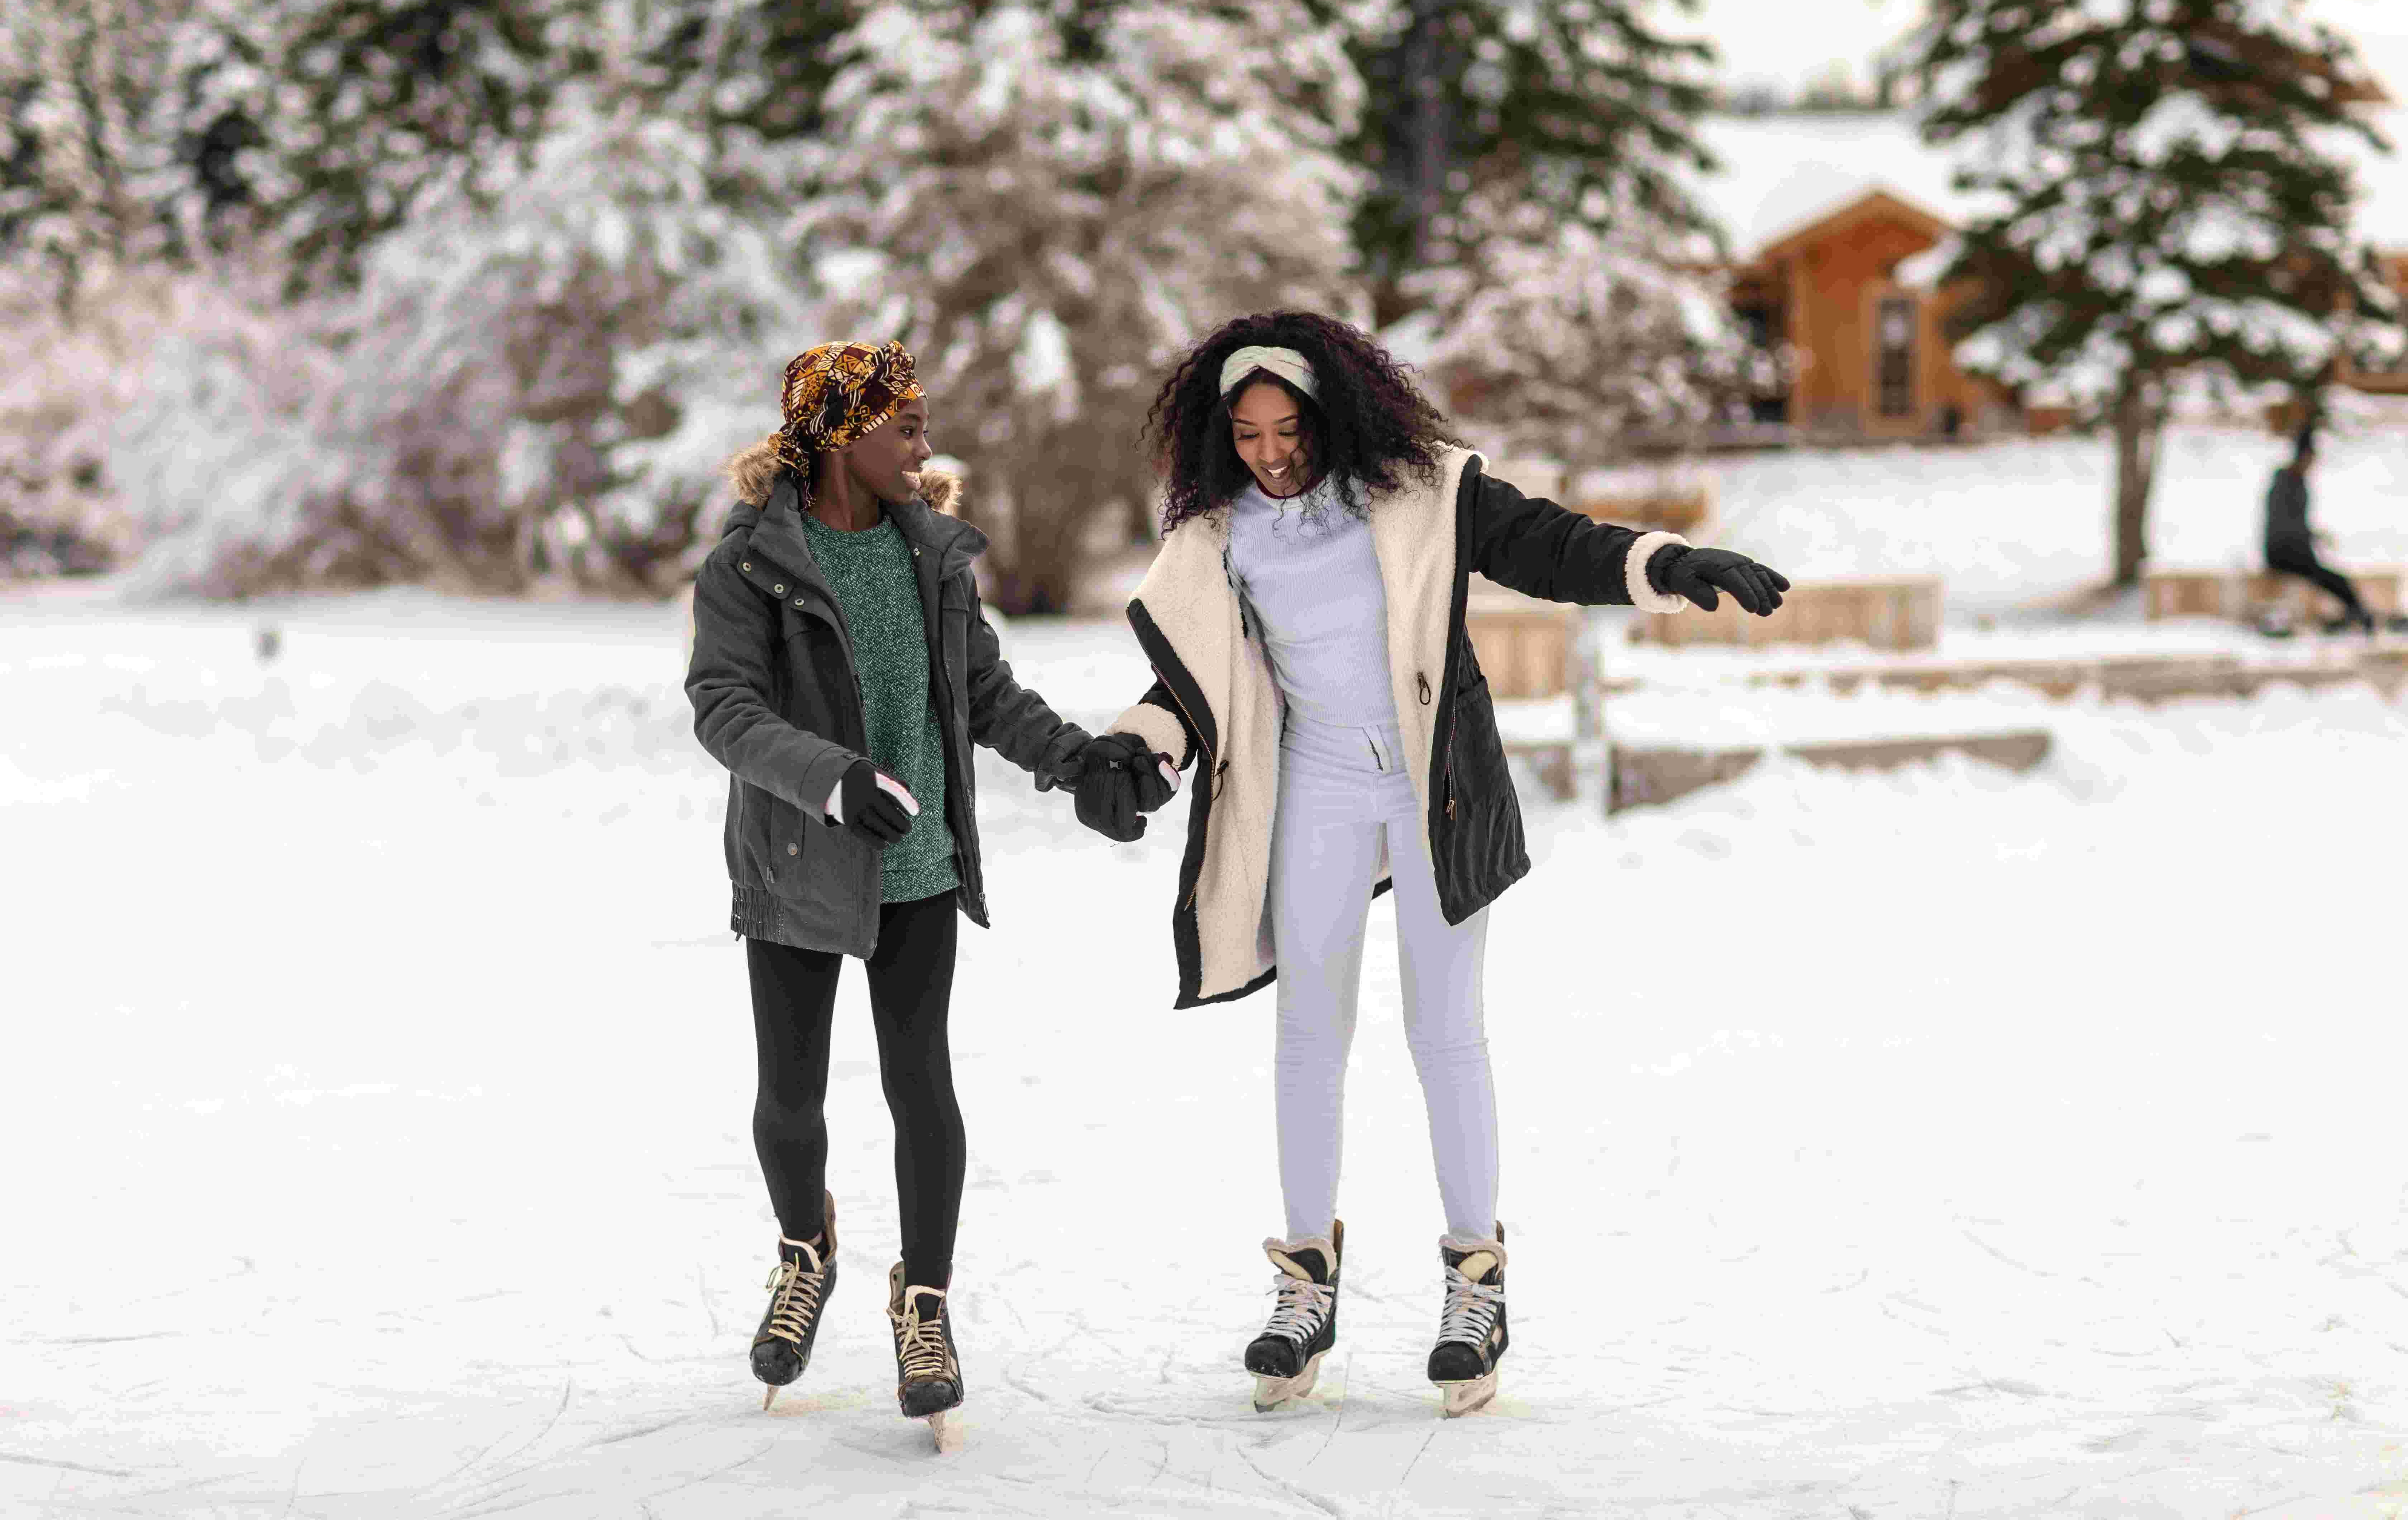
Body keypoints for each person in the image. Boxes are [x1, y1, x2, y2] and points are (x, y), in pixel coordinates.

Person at [1076, 312, 1791, 1417]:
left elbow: (1549, 544)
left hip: (1431, 784)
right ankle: (1303, 1285)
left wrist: (1667, 564)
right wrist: (1137, 751)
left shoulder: (1421, 493)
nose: (1271, 454)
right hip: (1314, 784)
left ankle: (1475, 1286)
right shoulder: (1219, 536)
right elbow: (1193, 681)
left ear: (1332, 415)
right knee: (1307, 1035)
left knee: (1443, 1031)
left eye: (1289, 430)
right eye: (1249, 435)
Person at [684, 339, 1149, 1446]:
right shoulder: (750, 561)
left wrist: (1078, 762)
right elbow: (723, 707)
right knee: (790, 1098)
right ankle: (805, 1251)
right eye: (905, 427)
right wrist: (833, 782)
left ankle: (925, 1301)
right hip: (798, 857)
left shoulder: (931, 552)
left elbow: (983, 691)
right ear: (840, 437)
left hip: (918, 862)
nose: (924, 445)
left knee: (921, 1085)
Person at [2264, 417, 2374, 633]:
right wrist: (2308, 539)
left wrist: (2314, 537)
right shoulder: (2285, 482)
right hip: (2282, 552)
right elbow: (2284, 525)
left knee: (2334, 578)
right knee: (2332, 579)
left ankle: (2356, 613)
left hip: (2296, 550)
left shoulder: (2298, 483)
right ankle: (2358, 614)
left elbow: (2296, 524)